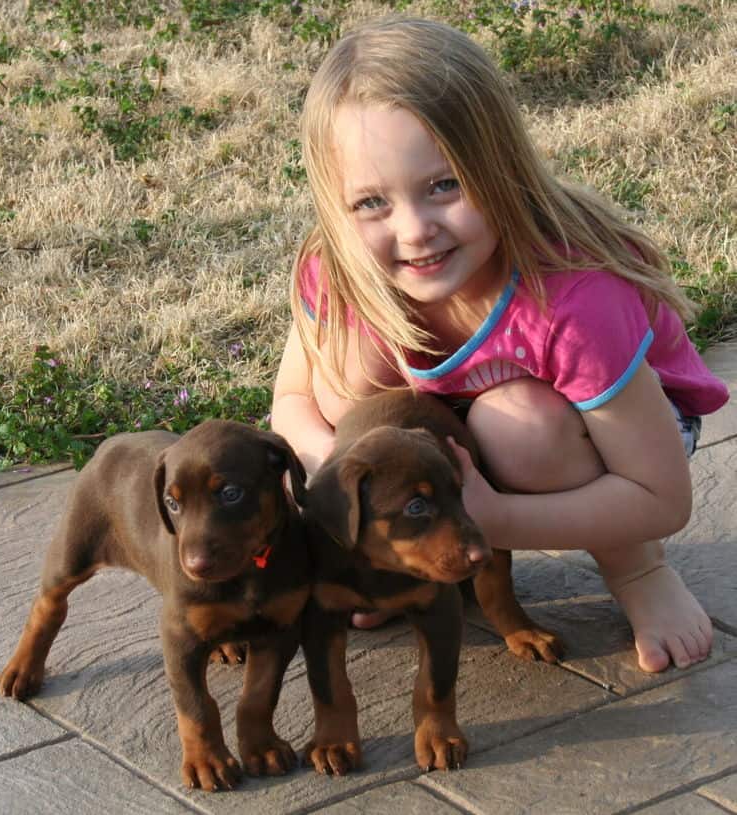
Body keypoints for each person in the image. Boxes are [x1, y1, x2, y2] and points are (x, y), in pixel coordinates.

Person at [270, 17, 729, 673]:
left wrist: (496, 518)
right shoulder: (343, 269)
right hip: (450, 425)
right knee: (347, 382)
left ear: (500, 163)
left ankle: (640, 572)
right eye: (371, 202)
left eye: (444, 185)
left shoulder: (572, 300)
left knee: (521, 427)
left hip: (626, 437)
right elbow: (291, 399)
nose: (415, 231)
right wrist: (339, 473)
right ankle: (417, 561)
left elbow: (664, 494)